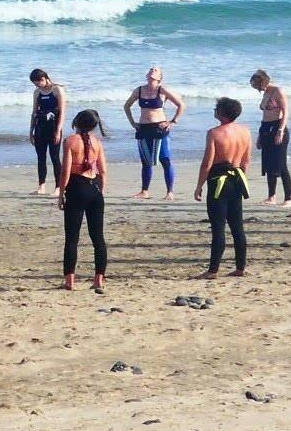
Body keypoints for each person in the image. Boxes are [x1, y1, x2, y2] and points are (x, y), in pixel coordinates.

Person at [194, 97, 254, 278]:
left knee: (218, 226)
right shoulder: (245, 132)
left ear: (222, 113)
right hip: (237, 178)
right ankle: (240, 267)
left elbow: (207, 162)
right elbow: (246, 160)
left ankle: (213, 270)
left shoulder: (214, 133)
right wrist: (242, 177)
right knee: (237, 226)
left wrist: (199, 186)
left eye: (216, 109)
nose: (214, 111)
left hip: (218, 181)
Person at [56, 109, 109, 292]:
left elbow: (66, 171)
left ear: (77, 122)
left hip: (76, 188)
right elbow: (103, 170)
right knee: (98, 238)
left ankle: (70, 280)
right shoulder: (97, 142)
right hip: (94, 188)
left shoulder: (70, 141)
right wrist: (101, 190)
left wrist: (61, 192)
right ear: (95, 125)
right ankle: (99, 279)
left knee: (72, 237)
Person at [123, 66, 183, 198]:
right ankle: (144, 191)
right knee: (146, 162)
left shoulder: (162, 90)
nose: (152, 71)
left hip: (159, 129)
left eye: (155, 70)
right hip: (143, 129)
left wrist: (173, 121)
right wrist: (132, 123)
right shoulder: (139, 90)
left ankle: (170, 192)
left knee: (165, 160)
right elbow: (127, 106)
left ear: (160, 77)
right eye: (151, 69)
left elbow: (181, 105)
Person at [251, 70, 291, 205]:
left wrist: (280, 130)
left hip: (277, 127)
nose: (256, 88)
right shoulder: (266, 93)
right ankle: (271, 196)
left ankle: (288, 198)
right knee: (268, 164)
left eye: (256, 85)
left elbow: (285, 113)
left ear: (262, 82)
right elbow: (264, 116)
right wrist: (259, 136)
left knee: (281, 165)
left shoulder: (277, 91)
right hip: (265, 128)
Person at [28, 69, 66, 195]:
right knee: (41, 158)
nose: (38, 84)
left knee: (55, 158)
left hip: (54, 127)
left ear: (45, 78)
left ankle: (58, 188)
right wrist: (31, 131)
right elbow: (34, 112)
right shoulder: (37, 92)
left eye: (39, 81)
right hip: (40, 128)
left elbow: (62, 112)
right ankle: (41, 186)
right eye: (35, 83)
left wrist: (58, 131)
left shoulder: (57, 90)